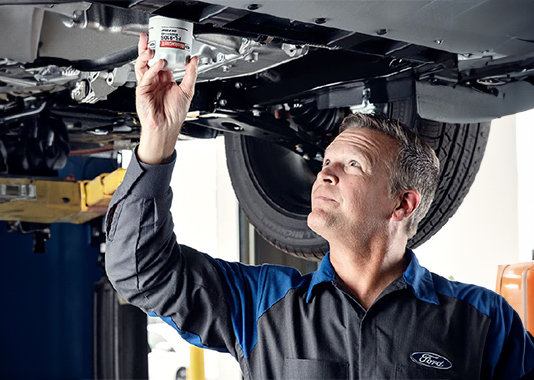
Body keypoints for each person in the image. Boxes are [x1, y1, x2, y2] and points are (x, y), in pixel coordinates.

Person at [105, 33, 534, 380]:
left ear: (403, 204)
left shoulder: (482, 322)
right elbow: (139, 271)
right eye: (326, 161)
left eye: (352, 165)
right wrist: (157, 139)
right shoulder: (262, 305)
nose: (324, 174)